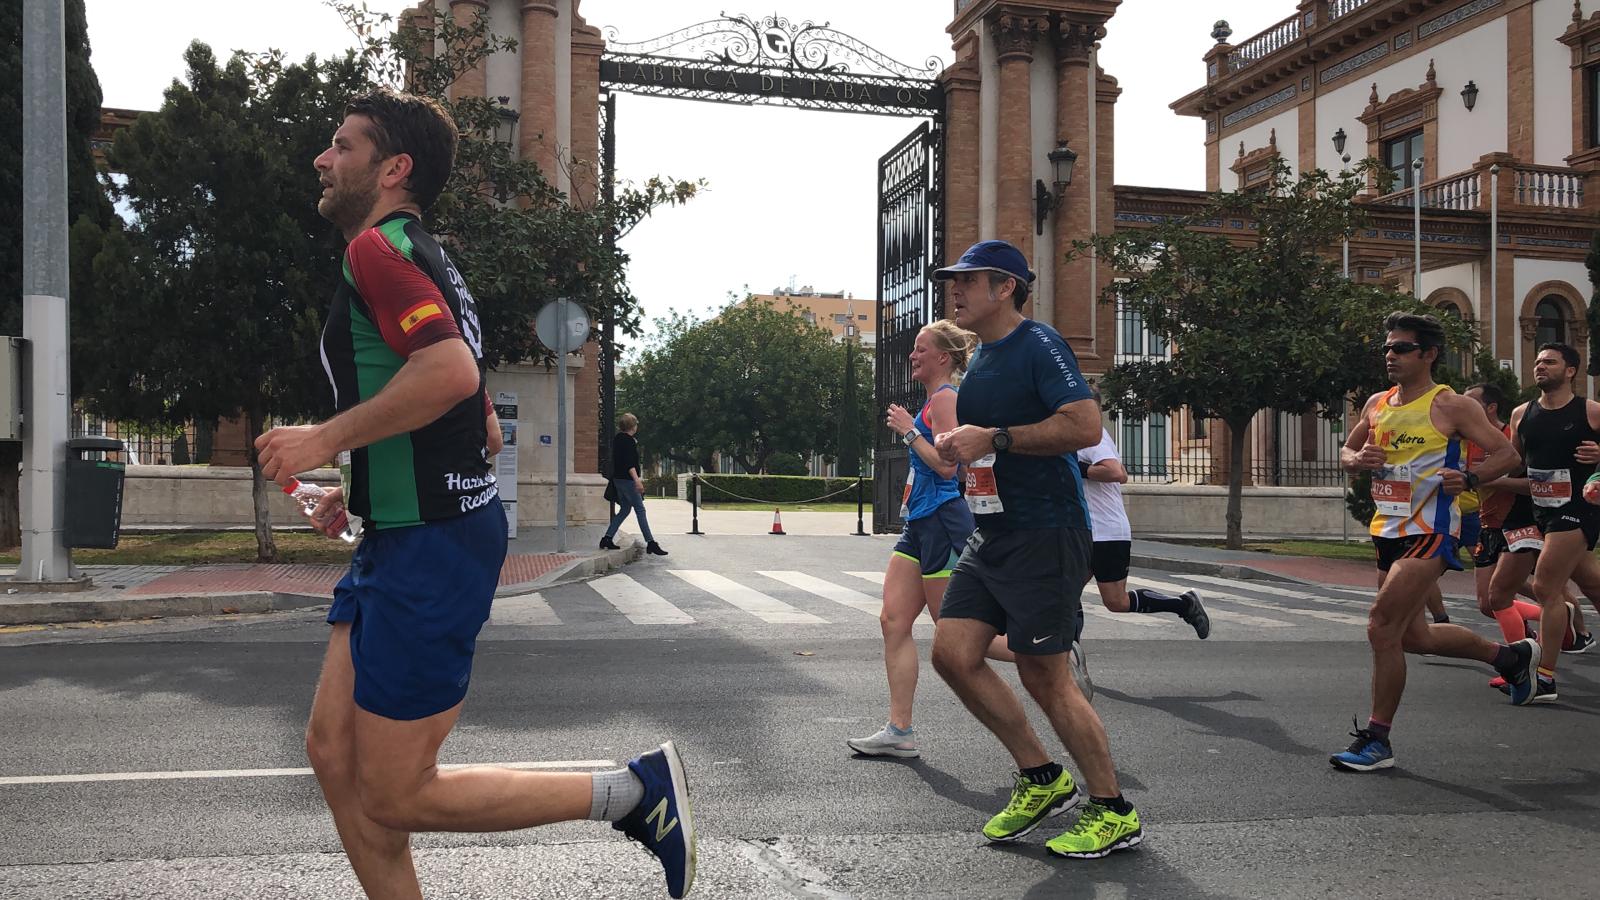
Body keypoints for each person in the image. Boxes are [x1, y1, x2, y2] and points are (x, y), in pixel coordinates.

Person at [254, 90, 695, 899]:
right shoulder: (429, 260)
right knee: (330, 750)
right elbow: (480, 428)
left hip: (430, 545)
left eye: (342, 146)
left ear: (394, 169)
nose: (324, 159)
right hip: (409, 533)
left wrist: (323, 440)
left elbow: (451, 378)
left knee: (396, 790)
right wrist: (358, 493)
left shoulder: (378, 254)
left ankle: (633, 794)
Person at [928, 239, 1142, 860]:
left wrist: (994, 435)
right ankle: (1043, 777)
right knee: (952, 652)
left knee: (1043, 674)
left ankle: (1113, 810)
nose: (955, 290)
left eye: (970, 280)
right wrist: (964, 452)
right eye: (953, 280)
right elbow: (993, 445)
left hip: (1048, 532)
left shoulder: (1038, 342)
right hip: (995, 532)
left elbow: (1084, 426)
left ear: (1007, 288)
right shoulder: (984, 358)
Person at [1330, 312, 1538, 773]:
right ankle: (1510, 657)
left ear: (1428, 354)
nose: (1390, 355)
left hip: (1431, 532)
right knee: (1414, 638)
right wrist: (1358, 458)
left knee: (1380, 625)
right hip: (1388, 530)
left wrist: (1470, 475)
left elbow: (1507, 453)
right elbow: (1345, 453)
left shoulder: (1452, 406)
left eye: (1401, 348)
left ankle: (1377, 740)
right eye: (1387, 348)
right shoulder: (1376, 404)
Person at [848, 320, 1016, 759]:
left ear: (943, 357)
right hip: (919, 524)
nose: (911, 356)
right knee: (893, 621)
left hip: (942, 520)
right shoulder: (931, 401)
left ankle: (1050, 653)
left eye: (920, 349)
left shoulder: (945, 400)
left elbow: (947, 467)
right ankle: (899, 731)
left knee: (951, 631)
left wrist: (908, 430)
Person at [1505, 342, 1600, 703]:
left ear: (1571, 370)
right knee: (1592, 585)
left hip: (1579, 508)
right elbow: (1514, 463)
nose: (1540, 367)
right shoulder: (1521, 414)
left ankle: (1545, 678)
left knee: (1545, 587)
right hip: (1540, 509)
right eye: (1538, 361)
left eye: (1550, 362)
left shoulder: (1590, 412)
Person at [1076, 393, 1210, 638]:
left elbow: (1116, 472)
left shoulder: (1094, 438)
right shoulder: (1073, 437)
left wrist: (1078, 468)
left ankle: (1184, 604)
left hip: (1106, 531)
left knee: (1116, 602)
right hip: (1083, 529)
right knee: (1064, 595)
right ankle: (1065, 662)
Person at [601, 413, 668, 556]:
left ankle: (607, 538)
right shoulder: (629, 441)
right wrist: (637, 480)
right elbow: (630, 463)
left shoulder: (618, 439)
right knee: (640, 510)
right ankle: (651, 543)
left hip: (618, 479)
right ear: (633, 426)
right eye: (636, 424)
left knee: (625, 509)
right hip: (628, 480)